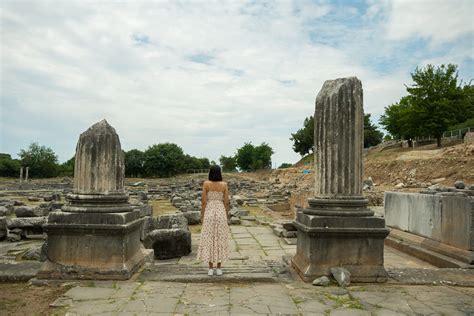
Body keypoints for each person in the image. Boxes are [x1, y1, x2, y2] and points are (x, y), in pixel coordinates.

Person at [197, 165, 230, 276]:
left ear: (210, 173)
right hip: (220, 212)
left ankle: (210, 268)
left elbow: (203, 202)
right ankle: (219, 268)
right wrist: (225, 215)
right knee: (220, 239)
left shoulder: (206, 184)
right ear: (220, 173)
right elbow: (226, 202)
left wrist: (202, 215)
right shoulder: (224, 185)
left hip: (210, 211)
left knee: (209, 238)